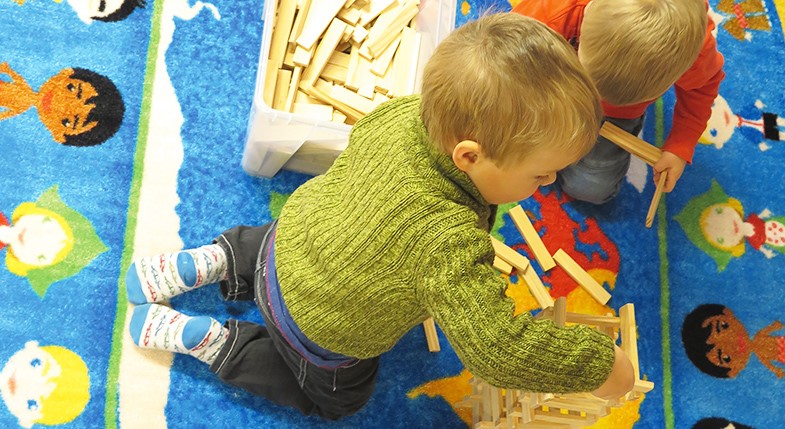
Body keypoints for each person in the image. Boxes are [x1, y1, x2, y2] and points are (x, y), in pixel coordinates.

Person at [125, 13, 634, 420]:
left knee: (275, 239)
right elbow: (498, 350)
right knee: (338, 401)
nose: (547, 184)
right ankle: (220, 345)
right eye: (541, 176)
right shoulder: (447, 242)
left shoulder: (404, 112)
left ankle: (213, 259)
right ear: (469, 157)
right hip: (318, 329)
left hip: (288, 241)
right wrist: (599, 364)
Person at [512, 0, 725, 204]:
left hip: (613, 116)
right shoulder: (551, 14)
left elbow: (701, 89)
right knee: (509, 147)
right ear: (588, 13)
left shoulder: (695, 49)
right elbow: (503, 60)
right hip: (547, 91)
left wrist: (680, 145)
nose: (595, 96)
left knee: (589, 187)